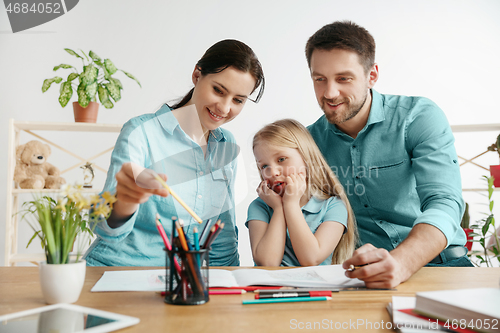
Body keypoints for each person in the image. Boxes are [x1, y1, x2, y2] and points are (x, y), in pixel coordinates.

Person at [305, 21, 472, 288]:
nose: (330, 93)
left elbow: (444, 201)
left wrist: (402, 262)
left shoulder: (418, 116)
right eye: (319, 79)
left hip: (443, 266)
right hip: (366, 277)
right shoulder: (309, 142)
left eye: (343, 78)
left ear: (372, 76)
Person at [84, 39, 265, 266]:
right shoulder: (142, 132)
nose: (225, 108)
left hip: (181, 284)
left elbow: (222, 235)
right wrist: (125, 202)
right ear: (197, 76)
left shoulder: (225, 144)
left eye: (238, 100)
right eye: (218, 90)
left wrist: (229, 284)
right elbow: (104, 228)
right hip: (119, 271)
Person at [246, 119, 357, 266]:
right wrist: (279, 208)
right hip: (273, 288)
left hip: (318, 287)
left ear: (306, 157)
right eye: (264, 165)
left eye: (281, 159)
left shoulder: (334, 206)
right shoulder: (260, 206)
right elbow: (268, 263)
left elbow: (311, 259)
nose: (272, 172)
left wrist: (290, 204)